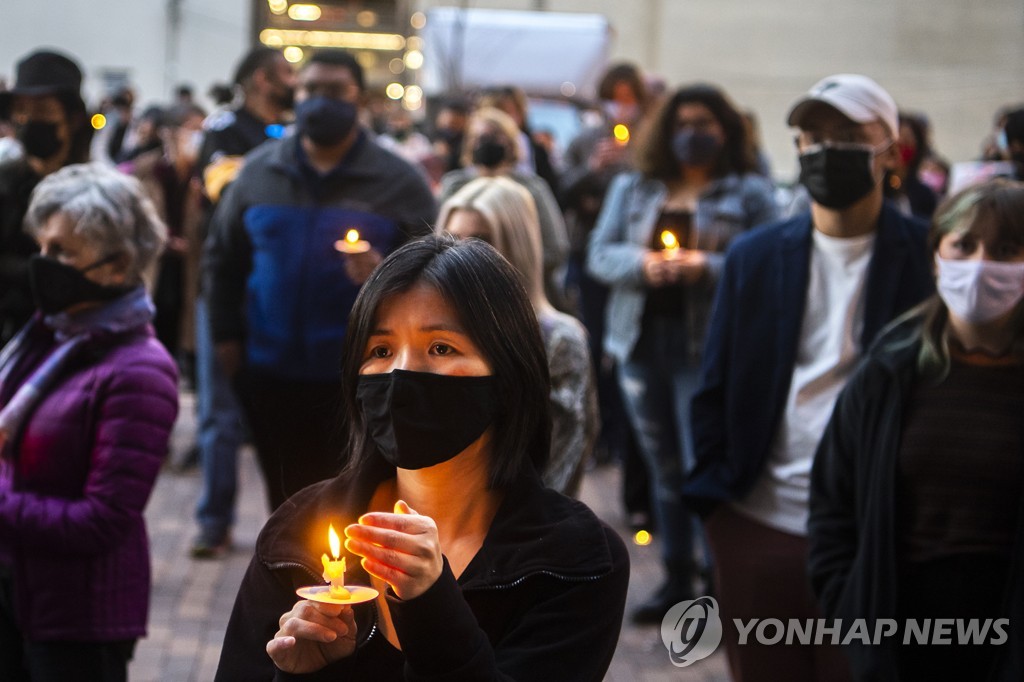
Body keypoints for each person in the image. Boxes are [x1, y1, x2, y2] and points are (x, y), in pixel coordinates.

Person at [214, 236, 629, 681]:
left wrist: (433, 607)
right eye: (381, 350)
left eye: (440, 348)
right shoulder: (296, 538)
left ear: (508, 374)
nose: (401, 372)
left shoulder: (575, 561)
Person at [684, 74, 935, 681]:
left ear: (891, 150)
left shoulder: (929, 255)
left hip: (870, 535)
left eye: (849, 135)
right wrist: (718, 510)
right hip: (758, 519)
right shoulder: (756, 254)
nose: (826, 150)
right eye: (813, 136)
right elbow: (714, 384)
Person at [809, 179, 1024, 681]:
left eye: (1007, 250)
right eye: (964, 245)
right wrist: (851, 608)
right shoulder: (888, 372)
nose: (980, 265)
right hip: (902, 640)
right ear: (936, 257)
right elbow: (832, 505)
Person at [204, 48, 436, 512]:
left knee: (348, 507)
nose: (318, 101)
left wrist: (383, 273)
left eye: (334, 91)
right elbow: (223, 261)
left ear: (359, 100)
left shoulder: (398, 182)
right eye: (310, 89)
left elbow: (433, 275)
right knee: (285, 501)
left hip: (357, 381)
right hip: (270, 371)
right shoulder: (258, 172)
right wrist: (228, 340)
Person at [587, 83, 777, 624]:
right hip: (642, 343)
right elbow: (601, 253)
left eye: (705, 124)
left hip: (709, 347)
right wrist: (644, 266)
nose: (693, 134)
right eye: (683, 124)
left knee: (703, 463)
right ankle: (675, 576)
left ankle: (718, 583)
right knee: (662, 466)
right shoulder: (635, 185)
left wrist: (708, 269)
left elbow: (769, 261)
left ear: (726, 130)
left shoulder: (748, 191)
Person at [0, 163, 178, 681]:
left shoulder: (139, 371)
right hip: (19, 593)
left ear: (116, 264)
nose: (42, 264)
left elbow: (101, 520)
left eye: (61, 252)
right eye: (41, 247)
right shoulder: (50, 334)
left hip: (79, 619)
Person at [191, 45, 296, 558]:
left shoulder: (295, 130)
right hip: (228, 290)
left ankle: (290, 528)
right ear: (260, 79)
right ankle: (214, 522)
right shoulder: (224, 129)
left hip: (277, 296)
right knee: (219, 417)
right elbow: (220, 186)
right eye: (286, 73)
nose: (294, 82)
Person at [437, 176, 598, 495]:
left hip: (522, 529)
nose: (463, 255)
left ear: (516, 247)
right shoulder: (429, 334)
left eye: (482, 241)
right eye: (452, 239)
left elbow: (559, 469)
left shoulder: (558, 340)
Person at [0, 49, 92, 345]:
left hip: (71, 339)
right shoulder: (5, 182)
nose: (27, 121)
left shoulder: (93, 190)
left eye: (41, 111)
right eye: (21, 112)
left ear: (74, 119)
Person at [438, 106, 570, 310]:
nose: (485, 142)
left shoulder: (532, 188)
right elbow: (438, 241)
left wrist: (509, 265)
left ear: (511, 143)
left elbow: (556, 248)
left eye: (494, 136)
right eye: (478, 137)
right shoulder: (454, 186)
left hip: (522, 298)